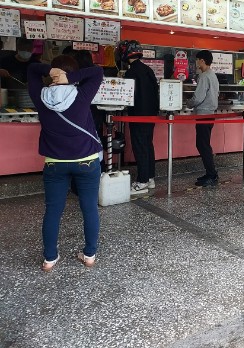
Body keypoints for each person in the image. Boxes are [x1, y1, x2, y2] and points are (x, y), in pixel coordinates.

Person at [27, 55, 103, 271]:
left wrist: (51, 71)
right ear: (72, 74)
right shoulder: (82, 95)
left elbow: (32, 69)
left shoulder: (39, 97)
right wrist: (70, 77)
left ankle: (49, 259)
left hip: (54, 164)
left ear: (53, 74)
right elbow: (97, 72)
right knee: (89, 209)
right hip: (87, 162)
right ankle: (89, 255)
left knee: (52, 211)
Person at [119, 40, 159, 194]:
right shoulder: (148, 69)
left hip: (138, 115)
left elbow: (128, 96)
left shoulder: (131, 72)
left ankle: (142, 181)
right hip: (151, 115)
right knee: (148, 145)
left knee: (140, 146)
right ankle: (150, 178)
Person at [187, 50, 220, 187]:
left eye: (197, 60)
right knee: (204, 144)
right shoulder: (212, 75)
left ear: (202, 60)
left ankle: (212, 175)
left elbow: (198, 97)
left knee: (202, 145)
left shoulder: (204, 76)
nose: (196, 62)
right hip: (210, 114)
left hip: (203, 114)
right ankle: (210, 173)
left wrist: (188, 103)